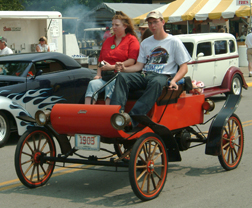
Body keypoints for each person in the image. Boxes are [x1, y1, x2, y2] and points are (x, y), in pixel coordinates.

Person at [110, 10, 191, 129]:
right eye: (150, 23)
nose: (152, 25)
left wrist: (174, 81)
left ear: (163, 22)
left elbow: (184, 67)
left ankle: (133, 118)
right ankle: (116, 114)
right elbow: (139, 66)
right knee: (122, 77)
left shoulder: (174, 41)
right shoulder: (146, 42)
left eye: (155, 22)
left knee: (156, 81)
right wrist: (124, 69)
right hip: (145, 74)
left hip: (163, 76)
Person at [85, 11, 140, 105]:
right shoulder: (108, 41)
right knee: (92, 84)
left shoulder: (132, 40)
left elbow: (131, 61)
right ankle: (87, 111)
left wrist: (112, 67)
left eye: (117, 25)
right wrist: (98, 74)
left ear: (125, 26)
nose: (113, 27)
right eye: (113, 24)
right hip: (105, 76)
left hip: (120, 76)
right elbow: (100, 60)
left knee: (112, 84)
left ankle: (109, 113)